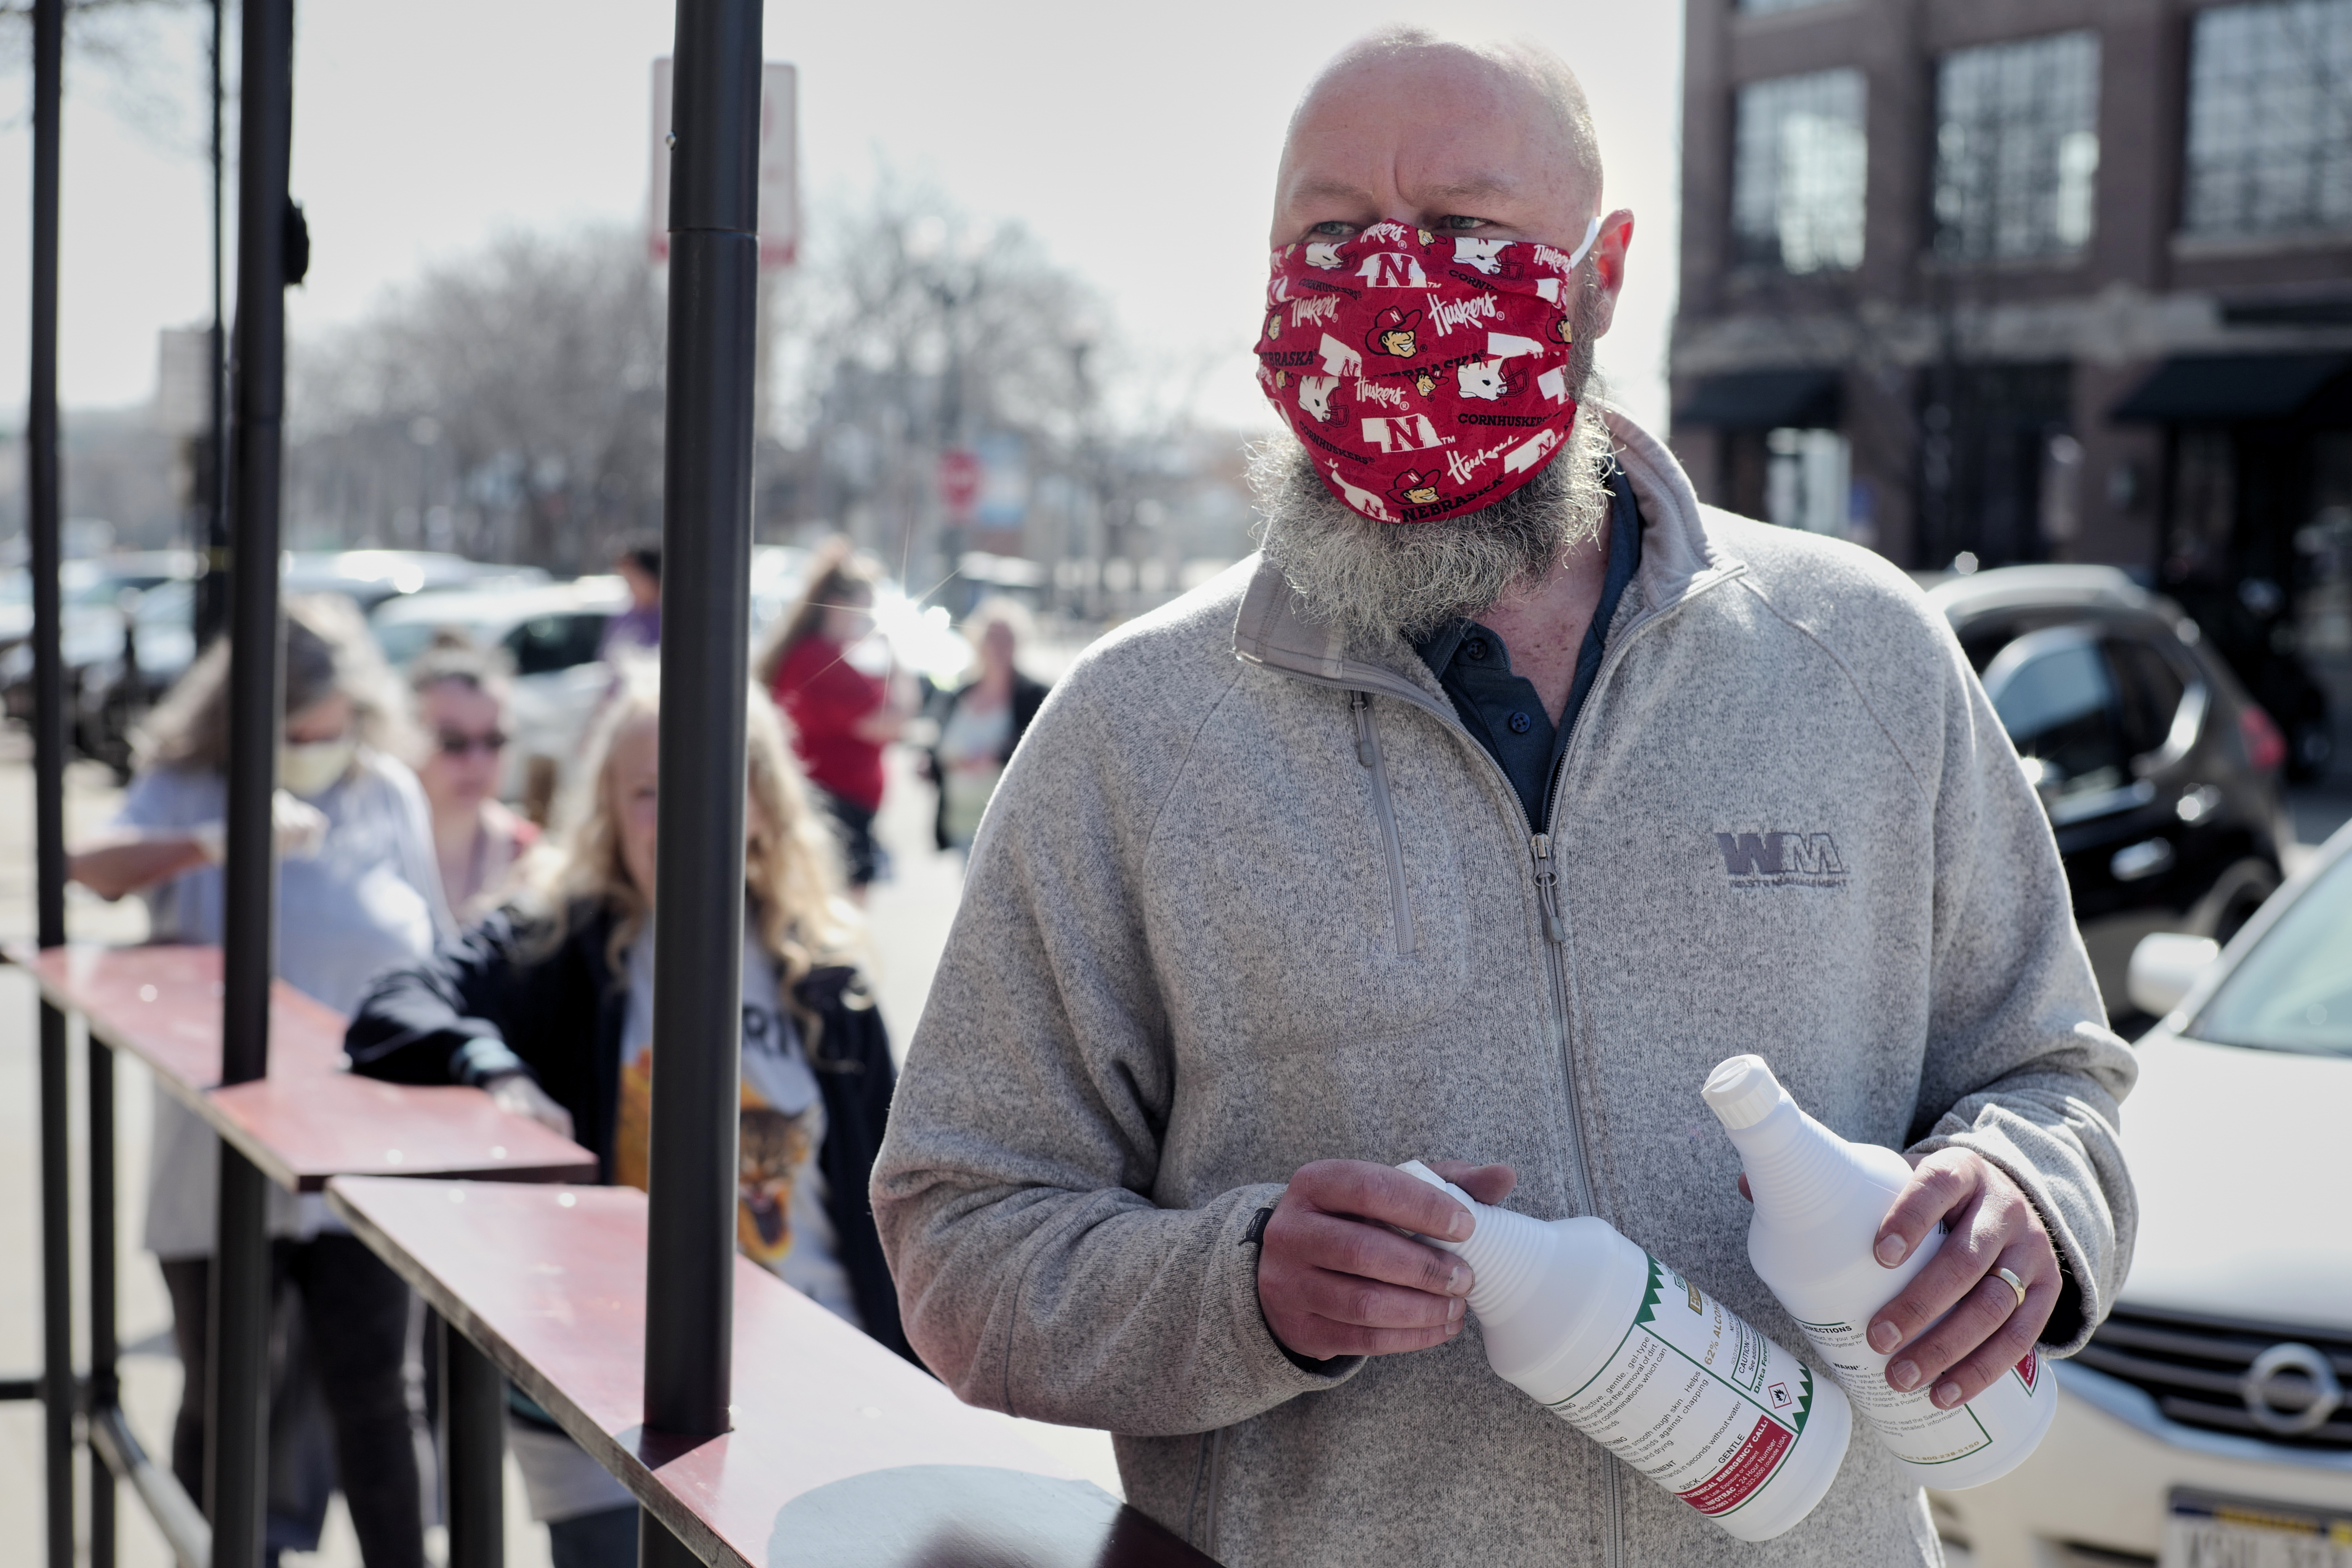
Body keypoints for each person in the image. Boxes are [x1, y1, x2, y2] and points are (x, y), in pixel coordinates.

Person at [872, 30, 2136, 1568]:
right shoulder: (1136, 729)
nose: (1394, 287)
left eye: (1468, 231)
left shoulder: (1856, 652)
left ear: (1600, 276)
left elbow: (2051, 1069)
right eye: (1332, 234)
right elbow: (958, 1231)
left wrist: (2021, 1199)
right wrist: (1243, 1288)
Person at [344, 667, 908, 1568]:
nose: (683, 815)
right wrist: (490, 1065)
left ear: (761, 804)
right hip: (621, 1403)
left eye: (714, 785)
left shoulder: (822, 976)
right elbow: (392, 1007)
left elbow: (898, 1183)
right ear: (608, 809)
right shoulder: (560, 946)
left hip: (818, 1375)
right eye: (649, 791)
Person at [70, 594, 445, 1568]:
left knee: (375, 1397)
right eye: (294, 735)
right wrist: (215, 841)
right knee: (226, 1393)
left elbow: (436, 956)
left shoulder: (385, 790)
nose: (315, 751)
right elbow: (90, 866)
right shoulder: (191, 785)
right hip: (221, 1152)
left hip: (363, 1155)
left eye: (331, 731)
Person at [758, 540, 905, 894]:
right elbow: (890, 720)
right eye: (865, 607)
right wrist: (895, 657)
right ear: (839, 605)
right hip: (833, 805)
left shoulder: (819, 654)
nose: (868, 618)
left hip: (834, 803)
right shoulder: (820, 660)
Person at [409, 636, 539, 922]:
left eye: (494, 740)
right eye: (453, 742)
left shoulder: (530, 859)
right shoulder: (372, 849)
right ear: (406, 741)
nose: (477, 761)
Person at [923, 597, 1049, 853]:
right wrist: (932, 765)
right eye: (992, 637)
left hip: (1010, 828)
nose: (998, 646)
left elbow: (1043, 751)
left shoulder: (1035, 696)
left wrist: (993, 758)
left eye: (1007, 638)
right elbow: (938, 748)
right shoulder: (958, 694)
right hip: (959, 822)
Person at [599, 534, 662, 662]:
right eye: (626, 578)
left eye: (634, 578)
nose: (630, 585)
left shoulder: (672, 620)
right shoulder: (622, 618)